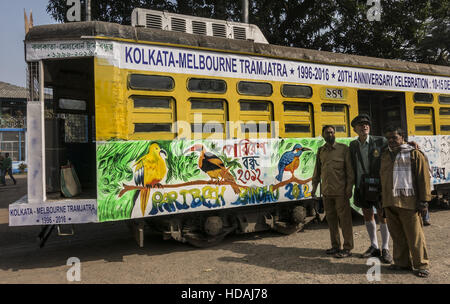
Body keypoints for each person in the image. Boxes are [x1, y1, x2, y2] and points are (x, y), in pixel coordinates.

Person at [380, 125, 431, 278]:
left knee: (415, 235)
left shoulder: (414, 154)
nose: (391, 141)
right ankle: (402, 263)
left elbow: (424, 179)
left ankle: (421, 264)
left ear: (402, 137)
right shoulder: (384, 155)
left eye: (394, 137)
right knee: (397, 235)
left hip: (409, 202)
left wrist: (424, 201)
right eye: (388, 138)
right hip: (390, 201)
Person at [349, 115, 392, 264]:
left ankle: (385, 248)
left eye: (366, 124)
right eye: (360, 125)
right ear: (355, 129)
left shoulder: (381, 141)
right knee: (367, 215)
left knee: (383, 216)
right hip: (362, 185)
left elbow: (395, 148)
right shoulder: (353, 145)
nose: (364, 126)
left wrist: (410, 144)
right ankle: (374, 246)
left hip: (379, 185)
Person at [312, 125, 355, 258]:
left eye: (331, 132)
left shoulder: (343, 149)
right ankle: (335, 246)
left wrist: (349, 189)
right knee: (331, 220)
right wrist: (314, 188)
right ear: (323, 135)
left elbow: (350, 172)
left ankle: (347, 247)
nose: (330, 135)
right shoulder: (321, 151)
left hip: (341, 192)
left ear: (335, 134)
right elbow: (317, 172)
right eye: (327, 133)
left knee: (345, 221)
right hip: (327, 192)